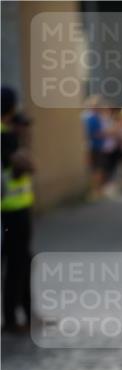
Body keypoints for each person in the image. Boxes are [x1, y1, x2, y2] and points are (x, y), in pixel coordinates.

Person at [1, 86, 34, 335]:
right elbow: (25, 165)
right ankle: (12, 320)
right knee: (16, 264)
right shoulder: (6, 136)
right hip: (12, 210)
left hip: (12, 209)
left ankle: (27, 314)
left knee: (23, 260)